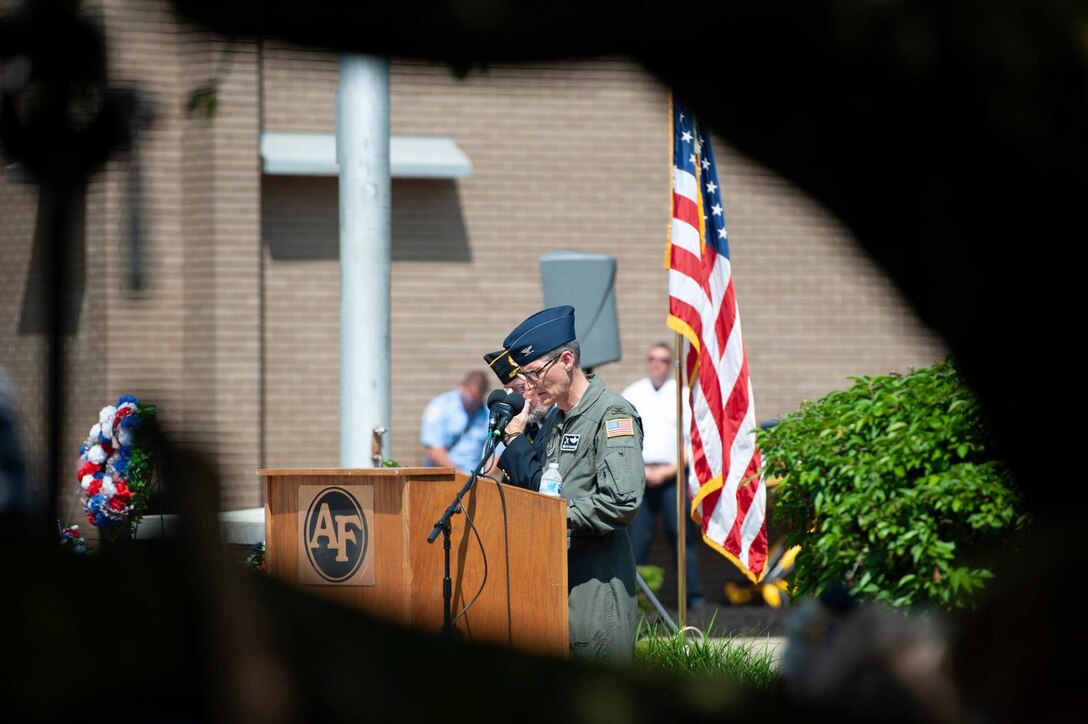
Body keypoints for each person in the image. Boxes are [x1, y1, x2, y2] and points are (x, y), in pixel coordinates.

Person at [497, 305, 645, 664]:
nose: (528, 388)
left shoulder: (612, 414)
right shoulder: (554, 422)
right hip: (555, 578)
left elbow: (621, 501)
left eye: (534, 375)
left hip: (596, 587)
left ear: (566, 359)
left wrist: (551, 517)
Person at [621, 342, 706, 610]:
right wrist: (642, 469)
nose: (657, 364)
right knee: (637, 539)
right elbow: (623, 438)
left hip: (674, 477)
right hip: (640, 475)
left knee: (681, 537)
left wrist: (671, 470)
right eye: (653, 359)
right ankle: (635, 600)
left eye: (664, 360)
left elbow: (692, 440)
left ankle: (694, 599)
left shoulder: (682, 395)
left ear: (671, 365)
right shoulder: (632, 393)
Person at [419, 370, 491, 474]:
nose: (472, 404)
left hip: (477, 480)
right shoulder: (440, 406)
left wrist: (483, 477)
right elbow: (434, 450)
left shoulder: (487, 414)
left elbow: (496, 454)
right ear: (461, 387)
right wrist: (461, 477)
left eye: (477, 401)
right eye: (469, 399)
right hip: (445, 476)